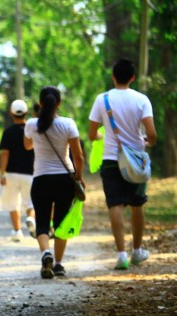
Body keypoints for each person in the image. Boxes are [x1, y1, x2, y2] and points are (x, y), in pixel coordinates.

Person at [88, 58, 157, 270]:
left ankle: (121, 255)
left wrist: (101, 138)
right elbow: (152, 134)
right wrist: (147, 142)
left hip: (110, 158)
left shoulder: (102, 99)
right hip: (135, 160)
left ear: (113, 76)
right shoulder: (142, 100)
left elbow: (92, 134)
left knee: (115, 205)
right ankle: (137, 251)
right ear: (133, 77)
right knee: (137, 205)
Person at [24, 86, 84, 279]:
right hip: (64, 179)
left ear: (40, 103)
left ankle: (45, 253)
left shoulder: (32, 124)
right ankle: (58, 264)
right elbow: (78, 156)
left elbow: (27, 145)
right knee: (60, 223)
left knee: (42, 221)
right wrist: (79, 176)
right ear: (59, 104)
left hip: (41, 179)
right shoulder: (68, 124)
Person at [0, 99, 36, 242]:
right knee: (30, 202)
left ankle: (17, 231)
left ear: (11, 113)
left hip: (12, 173)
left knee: (13, 203)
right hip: (30, 172)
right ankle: (31, 218)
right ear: (26, 113)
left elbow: (5, 154)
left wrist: (2, 173)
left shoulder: (8, 132)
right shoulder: (32, 130)